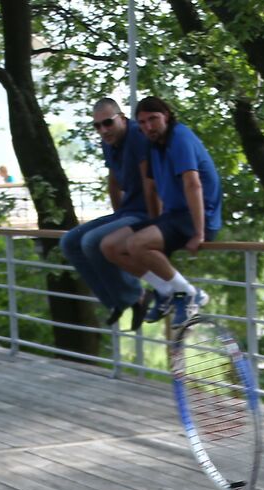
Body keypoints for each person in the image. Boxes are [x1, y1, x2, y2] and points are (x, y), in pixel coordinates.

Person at [101, 95, 222, 327]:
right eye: (143, 122)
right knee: (110, 246)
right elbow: (152, 187)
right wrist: (154, 224)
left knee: (137, 244)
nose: (148, 126)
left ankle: (188, 294)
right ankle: (168, 291)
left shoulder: (180, 138)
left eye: (153, 119)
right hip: (173, 216)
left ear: (166, 116)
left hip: (199, 216)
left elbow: (192, 184)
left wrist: (199, 233)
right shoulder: (152, 143)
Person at [60, 98, 150, 328]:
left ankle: (137, 296)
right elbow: (113, 182)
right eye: (97, 126)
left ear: (122, 118)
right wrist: (118, 217)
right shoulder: (108, 143)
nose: (103, 130)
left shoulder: (138, 137)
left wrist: (155, 221)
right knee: (69, 242)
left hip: (148, 212)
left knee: (92, 241)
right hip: (127, 211)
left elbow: (152, 183)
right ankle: (116, 301)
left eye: (108, 123)